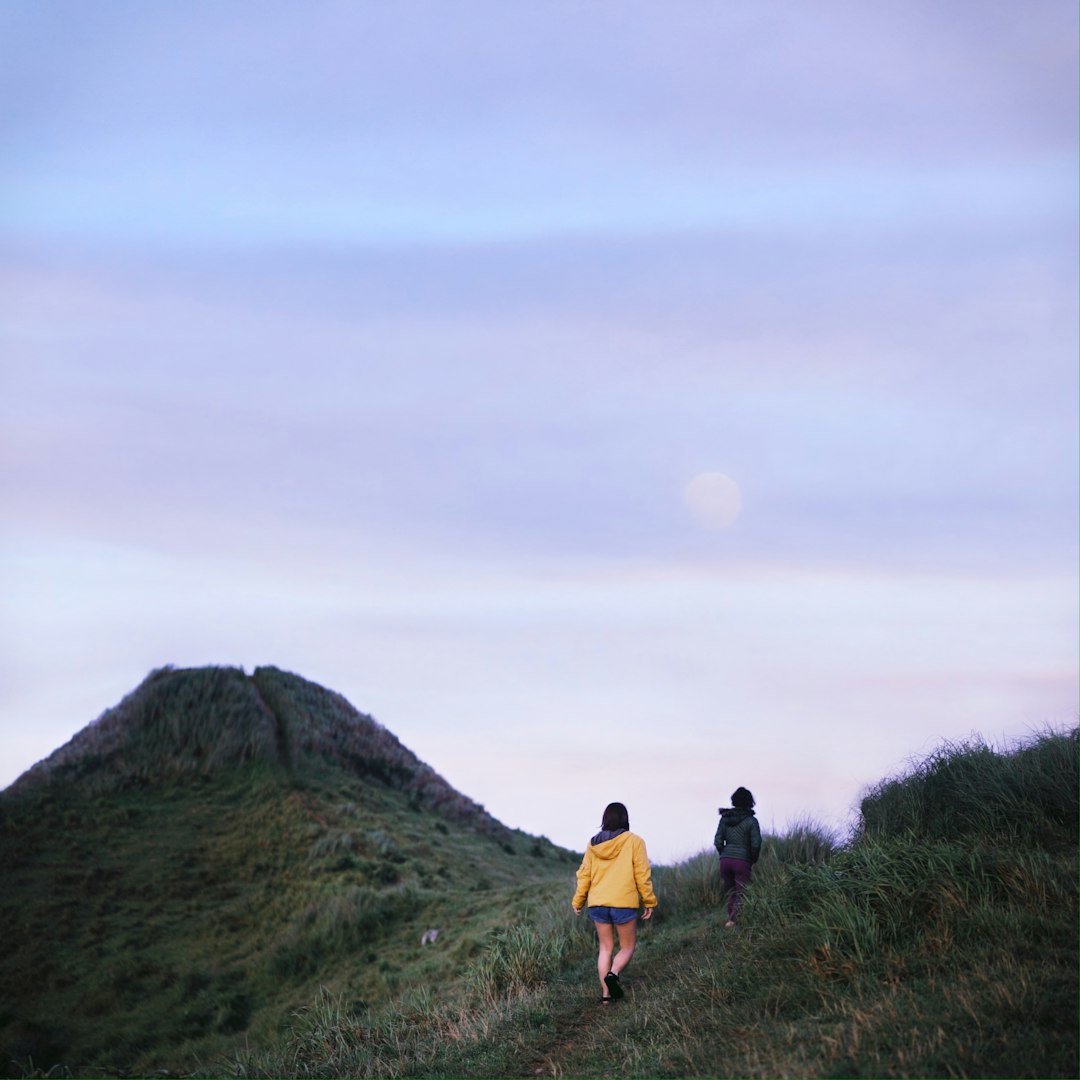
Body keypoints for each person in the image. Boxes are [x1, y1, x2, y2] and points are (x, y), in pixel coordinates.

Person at [571, 801, 658, 1003]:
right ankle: (614, 974)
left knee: (605, 948)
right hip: (623, 902)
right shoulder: (635, 841)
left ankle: (606, 996)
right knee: (627, 947)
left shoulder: (593, 844)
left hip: (598, 903)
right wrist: (649, 901)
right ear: (625, 819)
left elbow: (584, 875)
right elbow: (642, 874)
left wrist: (578, 901)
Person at [714, 786, 761, 928]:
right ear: (750, 802)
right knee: (742, 892)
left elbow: (717, 841)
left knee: (731, 892)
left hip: (725, 861)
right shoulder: (752, 821)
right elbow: (756, 843)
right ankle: (734, 921)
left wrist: (724, 854)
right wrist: (752, 858)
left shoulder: (724, 819)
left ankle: (731, 919)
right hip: (742, 860)